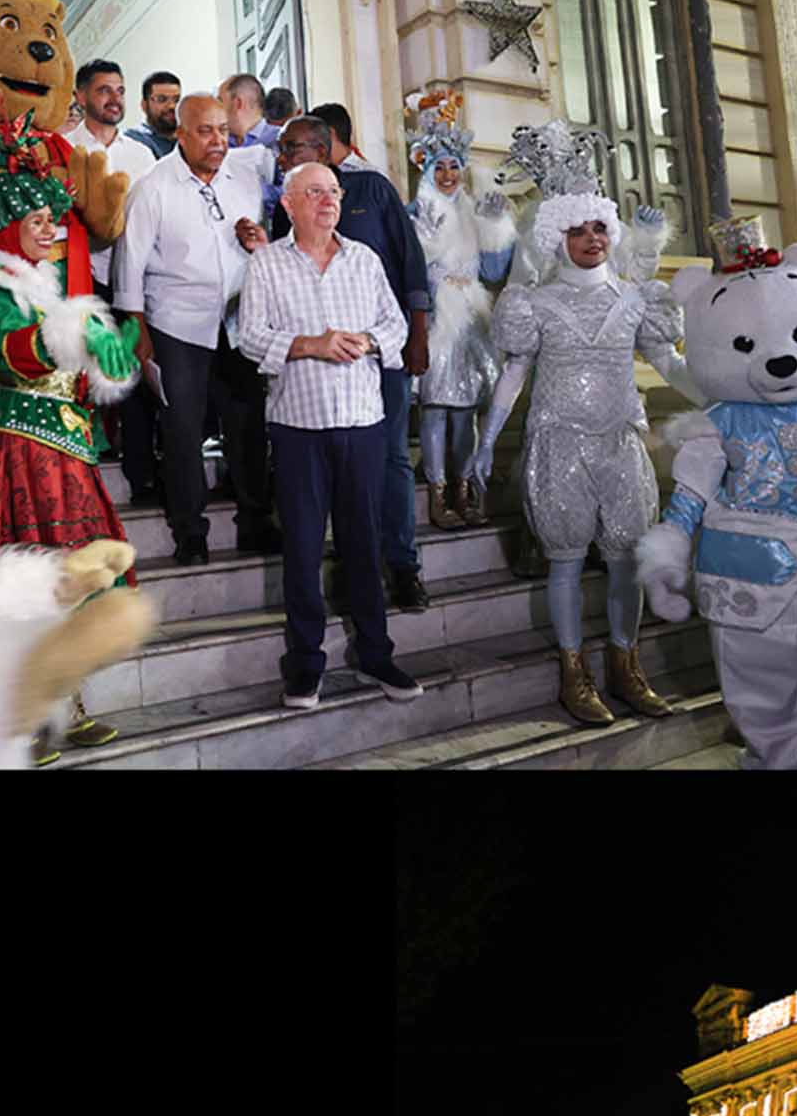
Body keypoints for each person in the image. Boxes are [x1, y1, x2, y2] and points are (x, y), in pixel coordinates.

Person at [0, 121, 146, 764]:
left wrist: (107, 360)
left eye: (55, 219)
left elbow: (73, 370)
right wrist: (67, 339)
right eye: (38, 222)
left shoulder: (51, 294)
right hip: (16, 463)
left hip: (64, 459)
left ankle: (65, 706)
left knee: (67, 591)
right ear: (5, 232)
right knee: (22, 593)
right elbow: (1, 351)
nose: (53, 230)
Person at [472, 121, 693, 726]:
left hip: (621, 442)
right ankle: (576, 675)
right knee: (566, 560)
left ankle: (627, 666)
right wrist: (487, 442)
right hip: (558, 443)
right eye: (578, 228)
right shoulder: (532, 304)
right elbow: (514, 373)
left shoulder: (636, 299)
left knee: (627, 559)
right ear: (555, 237)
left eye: (600, 226)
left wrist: (725, 393)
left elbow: (670, 362)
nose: (592, 237)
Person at [236, 160, 422, 711]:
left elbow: (396, 325)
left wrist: (365, 341)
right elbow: (249, 337)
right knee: (301, 548)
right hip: (298, 426)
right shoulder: (268, 263)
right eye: (314, 192)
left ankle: (375, 651)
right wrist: (310, 345)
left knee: (364, 544)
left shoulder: (364, 260)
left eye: (334, 192)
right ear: (288, 204)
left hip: (363, 422)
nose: (328, 201)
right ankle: (306, 663)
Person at [259, 117, 431, 609]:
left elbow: (409, 259)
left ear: (322, 148)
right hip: (314, 380)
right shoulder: (288, 203)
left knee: (394, 459)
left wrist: (416, 332)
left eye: (291, 148)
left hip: (382, 352)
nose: (282, 156)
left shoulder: (372, 188)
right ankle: (355, 570)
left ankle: (402, 566)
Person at [111, 93, 280, 565]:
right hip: (176, 324)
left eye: (224, 130)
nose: (218, 140)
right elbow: (130, 267)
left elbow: (256, 249)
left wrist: (254, 245)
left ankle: (255, 521)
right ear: (181, 135)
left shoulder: (244, 182)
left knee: (247, 425)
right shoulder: (154, 188)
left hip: (236, 322)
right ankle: (190, 531)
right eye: (206, 130)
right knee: (183, 430)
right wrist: (139, 333)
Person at [404, 92, 516, 531]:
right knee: (435, 410)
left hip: (470, 320)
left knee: (465, 411)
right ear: (425, 168)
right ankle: (436, 491)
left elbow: (493, 270)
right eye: (439, 167)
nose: (449, 175)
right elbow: (407, 274)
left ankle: (465, 487)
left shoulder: (474, 210)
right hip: (434, 322)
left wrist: (494, 229)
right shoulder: (413, 214)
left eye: (454, 165)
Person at [64, 58, 160, 503]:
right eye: (104, 90)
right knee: (81, 369)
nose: (114, 98)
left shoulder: (141, 154)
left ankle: (142, 475)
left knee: (135, 377)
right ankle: (78, 468)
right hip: (83, 276)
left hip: (134, 279)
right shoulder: (62, 146)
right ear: (81, 97)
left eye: (119, 90)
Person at [219, 72, 285, 223]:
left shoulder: (280, 140)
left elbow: (293, 189)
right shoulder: (220, 144)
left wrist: (252, 189)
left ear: (237, 103)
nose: (216, 109)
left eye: (220, 101)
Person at [124, 71, 180, 159]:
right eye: (162, 99)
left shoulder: (188, 137)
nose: (172, 106)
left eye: (176, 99)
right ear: (144, 105)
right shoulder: (134, 139)